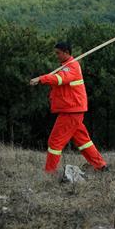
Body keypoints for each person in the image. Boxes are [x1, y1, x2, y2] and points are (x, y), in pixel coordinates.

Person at [30, 42, 108, 172]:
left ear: (66, 52)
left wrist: (41, 79)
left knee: (54, 142)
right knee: (83, 141)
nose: (56, 56)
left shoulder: (71, 67)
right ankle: (101, 166)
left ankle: (49, 172)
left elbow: (60, 79)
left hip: (71, 111)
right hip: (73, 110)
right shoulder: (66, 66)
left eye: (58, 53)